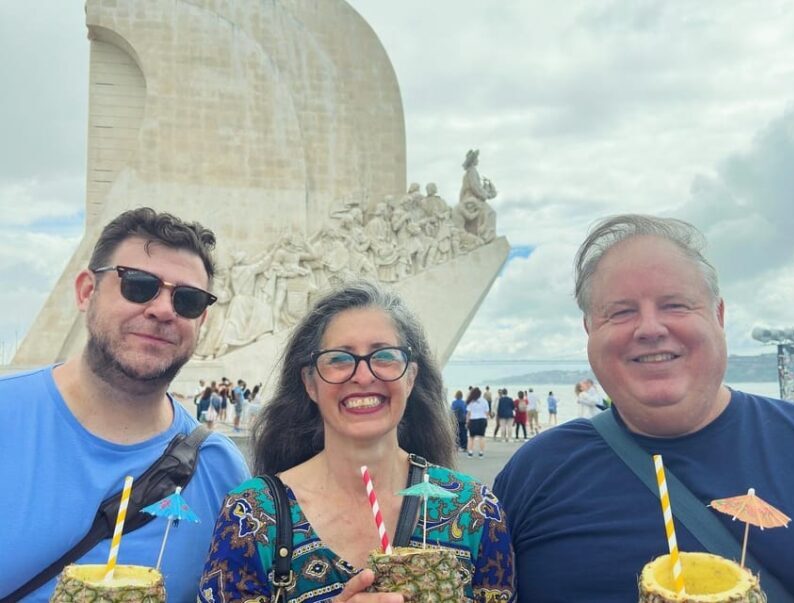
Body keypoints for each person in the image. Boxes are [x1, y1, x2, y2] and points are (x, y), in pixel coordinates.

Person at [494, 214, 794, 602]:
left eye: (674, 305)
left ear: (718, 316)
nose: (650, 328)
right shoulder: (535, 472)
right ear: (590, 331)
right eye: (621, 312)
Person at [199, 281, 515, 601]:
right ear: (310, 382)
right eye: (339, 359)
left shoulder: (475, 511)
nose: (363, 377)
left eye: (385, 356)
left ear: (411, 376)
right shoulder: (251, 516)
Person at [0, 207, 250, 602]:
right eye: (138, 284)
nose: (163, 309)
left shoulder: (222, 470)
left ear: (201, 320)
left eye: (187, 299)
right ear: (86, 291)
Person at [465, 386, 490, 458]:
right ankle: (481, 453)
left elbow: (468, 413)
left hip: (473, 420)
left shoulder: (471, 401)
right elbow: (487, 412)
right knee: (481, 437)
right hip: (482, 419)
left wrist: (467, 422)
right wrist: (487, 419)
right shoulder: (484, 401)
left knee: (471, 437)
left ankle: (470, 452)